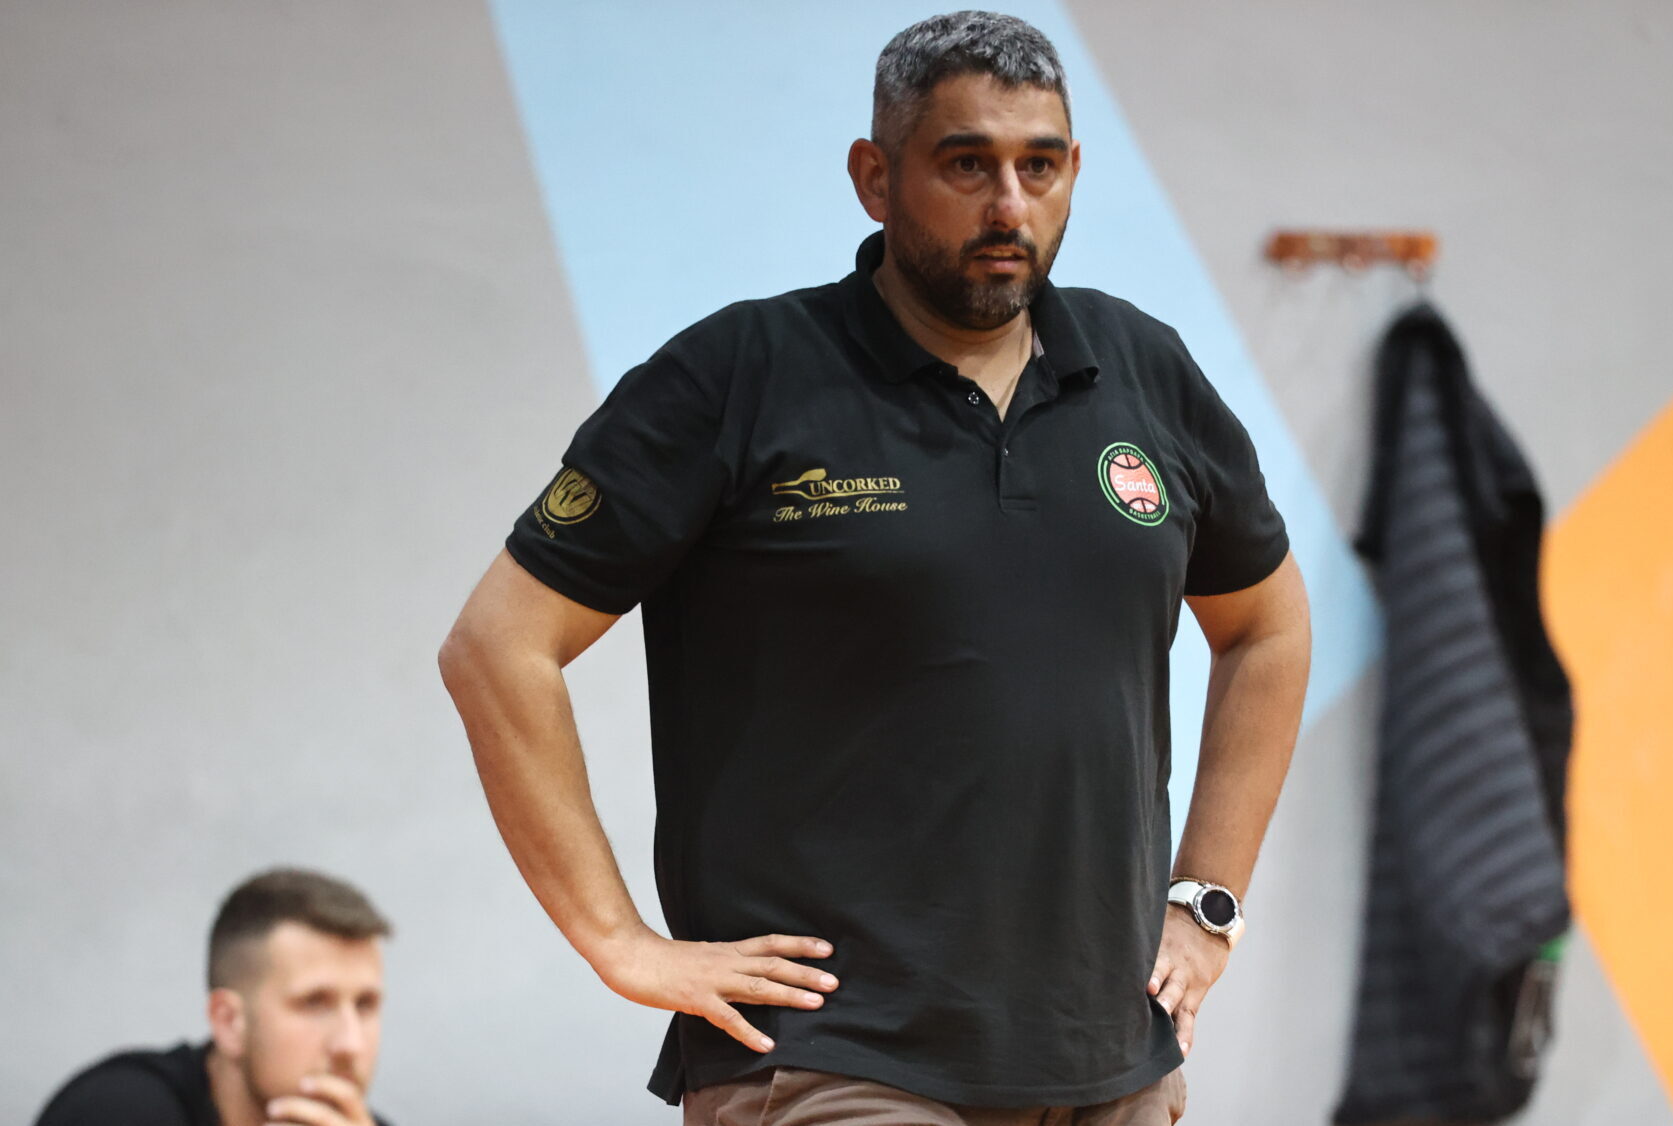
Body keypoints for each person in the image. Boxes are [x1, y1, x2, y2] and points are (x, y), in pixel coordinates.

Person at [438, 10, 1311, 1124]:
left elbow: (1267, 628)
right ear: (875, 177)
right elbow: (497, 646)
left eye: (1039, 166)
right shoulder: (740, 375)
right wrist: (619, 940)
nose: (1009, 206)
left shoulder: (1144, 369)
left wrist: (1205, 902)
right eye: (967, 164)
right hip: (834, 1055)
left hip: (1112, 1055)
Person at [35, 868, 393, 1126]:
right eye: (314, 1003)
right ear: (228, 1022)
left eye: (365, 1005)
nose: (350, 1044)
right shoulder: (118, 1109)